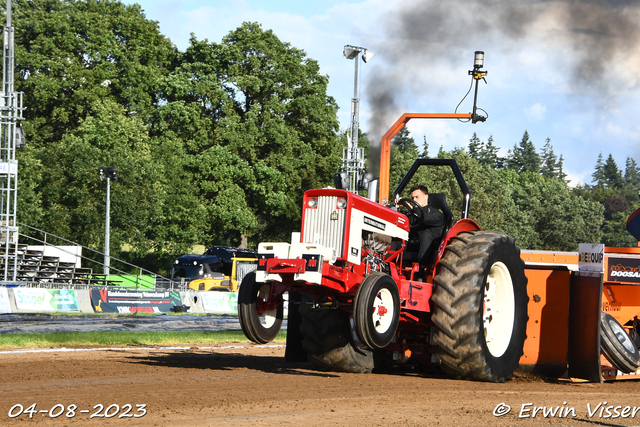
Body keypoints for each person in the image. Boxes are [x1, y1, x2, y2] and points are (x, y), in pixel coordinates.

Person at [396, 185, 446, 267]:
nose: (414, 200)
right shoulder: (412, 214)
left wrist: (408, 206)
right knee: (395, 236)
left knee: (425, 234)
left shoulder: (436, 214)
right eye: (412, 198)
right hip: (412, 244)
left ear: (426, 196)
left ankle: (421, 271)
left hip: (428, 248)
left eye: (417, 197)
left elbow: (424, 218)